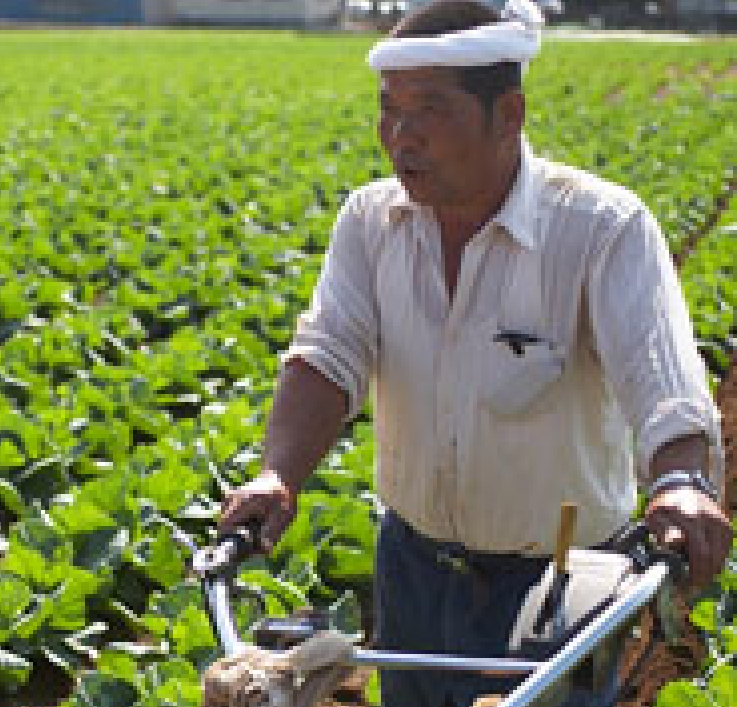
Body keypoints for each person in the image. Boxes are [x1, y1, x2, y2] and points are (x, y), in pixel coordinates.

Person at [217, 1, 732, 705]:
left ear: (508, 114)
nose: (402, 135)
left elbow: (662, 379)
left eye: (430, 110)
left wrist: (681, 482)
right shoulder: (370, 223)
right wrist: (278, 476)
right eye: (390, 111)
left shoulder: (602, 230)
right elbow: (328, 355)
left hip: (559, 584)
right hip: (413, 566)